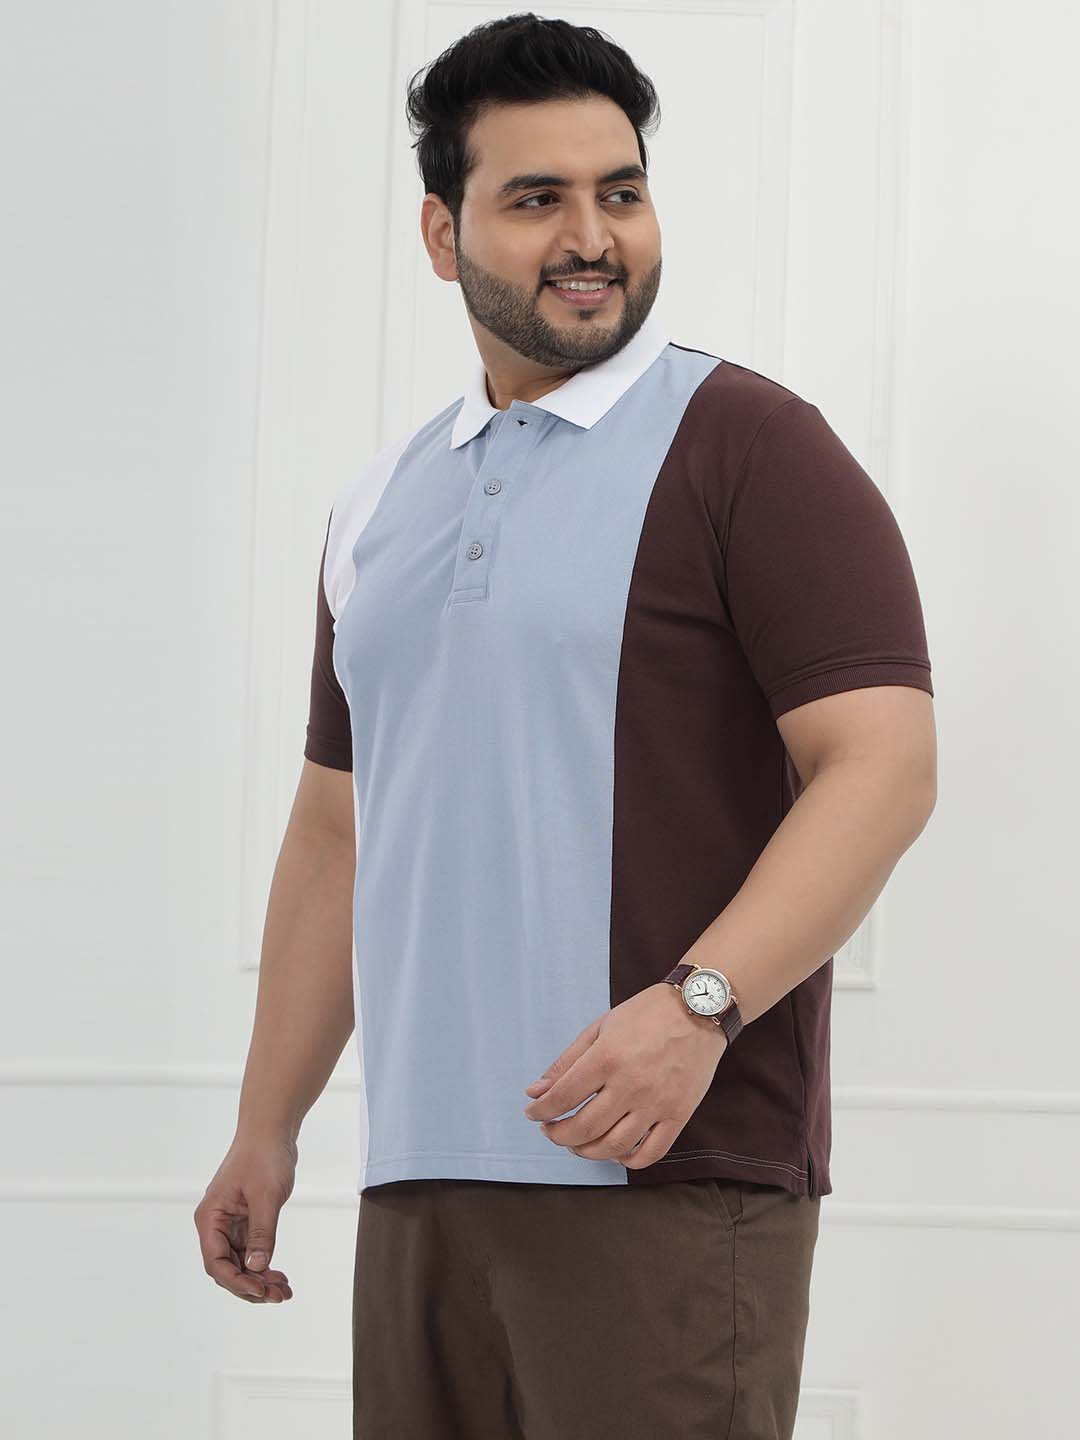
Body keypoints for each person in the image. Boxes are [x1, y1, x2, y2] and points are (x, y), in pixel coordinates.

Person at [194, 13, 937, 1438]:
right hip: (422, 1178)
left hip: (670, 1167)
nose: (592, 238)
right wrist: (265, 1124)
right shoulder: (377, 503)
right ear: (442, 233)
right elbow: (338, 832)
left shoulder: (752, 449)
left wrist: (699, 1006)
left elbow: (884, 765)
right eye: (538, 198)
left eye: (622, 191)